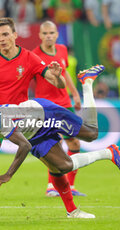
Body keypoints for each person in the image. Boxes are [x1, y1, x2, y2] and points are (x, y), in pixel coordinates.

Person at [0, 65, 120, 219]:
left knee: (92, 134)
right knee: (62, 167)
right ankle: (108, 155)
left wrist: (9, 174)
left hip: (44, 115)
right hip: (33, 133)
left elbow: (24, 145)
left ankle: (87, 83)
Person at [0, 17, 66, 221]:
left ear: (14, 35)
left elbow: (59, 85)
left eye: (5, 35)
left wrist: (58, 75)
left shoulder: (29, 58)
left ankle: (72, 210)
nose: (1, 39)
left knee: (53, 161)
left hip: (22, 116)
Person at [32, 21, 84, 197]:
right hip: (46, 106)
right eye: (45, 33)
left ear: (56, 34)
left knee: (74, 143)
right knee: (55, 144)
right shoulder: (34, 56)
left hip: (65, 102)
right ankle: (51, 186)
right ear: (40, 35)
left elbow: (65, 73)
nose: (48, 36)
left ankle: (71, 185)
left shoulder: (62, 49)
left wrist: (75, 94)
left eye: (51, 32)